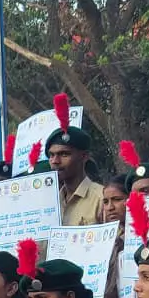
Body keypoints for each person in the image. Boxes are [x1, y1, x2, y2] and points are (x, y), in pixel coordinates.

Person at [45, 94, 104, 226]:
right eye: (51, 155)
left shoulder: (101, 198)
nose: (55, 161)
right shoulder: (48, 203)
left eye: (64, 154)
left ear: (84, 157)